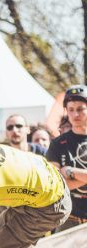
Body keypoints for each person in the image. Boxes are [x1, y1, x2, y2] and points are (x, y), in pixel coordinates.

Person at [46, 85, 87, 231]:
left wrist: (70, 171)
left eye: (80, 109)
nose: (75, 114)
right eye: (71, 109)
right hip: (68, 219)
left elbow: (66, 181)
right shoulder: (57, 144)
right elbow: (56, 185)